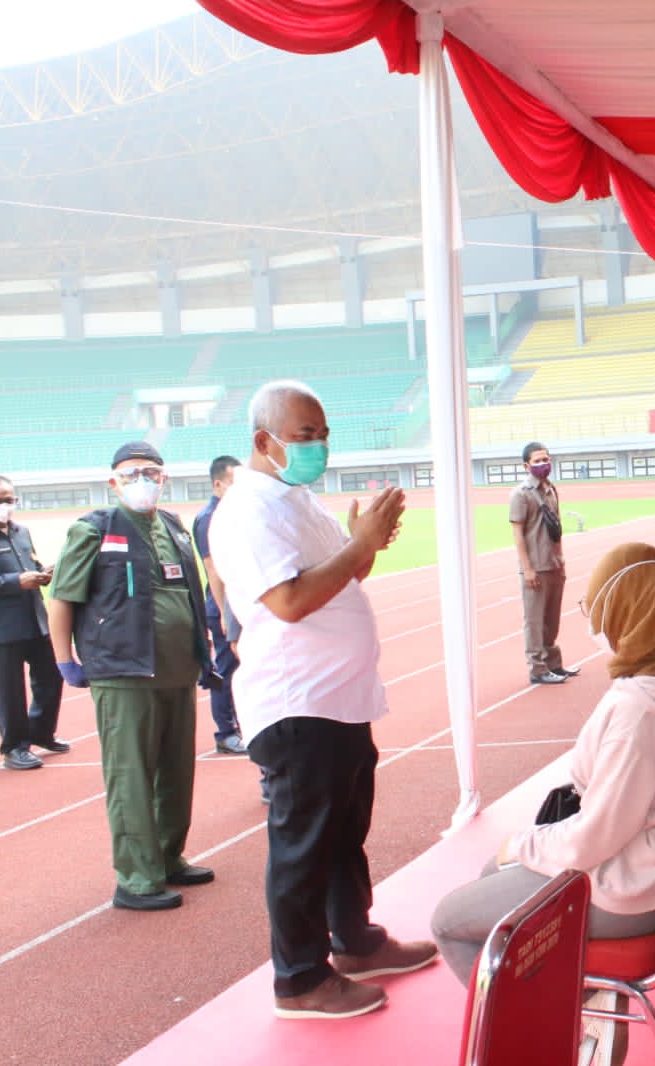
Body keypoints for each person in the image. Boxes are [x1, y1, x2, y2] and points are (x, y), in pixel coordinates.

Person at [210, 381, 436, 1019]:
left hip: (339, 698)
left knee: (343, 832)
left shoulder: (297, 498)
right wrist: (359, 546)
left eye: (322, 434)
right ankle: (301, 979)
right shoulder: (248, 512)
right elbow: (289, 601)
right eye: (304, 436)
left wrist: (365, 544)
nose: (318, 447)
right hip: (296, 703)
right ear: (265, 441)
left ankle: (354, 941)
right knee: (305, 844)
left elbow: (343, 572)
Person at [432, 544, 655, 980]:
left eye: (597, 609)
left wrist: (521, 843)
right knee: (494, 874)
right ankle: (573, 1011)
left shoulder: (641, 714)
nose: (596, 625)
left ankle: (545, 1039)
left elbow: (592, 841)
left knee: (450, 922)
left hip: (631, 890)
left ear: (623, 614)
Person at [48, 441, 216, 912]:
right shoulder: (93, 529)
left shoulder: (173, 527)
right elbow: (62, 598)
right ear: (113, 480)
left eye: (151, 471)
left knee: (176, 771)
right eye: (132, 472)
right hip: (123, 671)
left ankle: (167, 856)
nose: (142, 479)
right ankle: (137, 878)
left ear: (164, 478)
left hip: (177, 670)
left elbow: (187, 592)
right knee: (132, 776)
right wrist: (65, 660)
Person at [0, 476, 66, 770]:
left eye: (9, 498)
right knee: (9, 690)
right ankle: (15, 747)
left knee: (50, 677)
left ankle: (41, 731)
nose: (4, 505)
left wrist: (41, 573)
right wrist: (15, 582)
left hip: (35, 620)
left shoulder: (21, 532)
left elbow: (29, 567)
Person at [511, 441, 578, 686]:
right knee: (535, 620)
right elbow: (518, 533)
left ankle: (553, 663)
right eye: (537, 460)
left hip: (554, 564)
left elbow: (556, 530)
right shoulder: (521, 494)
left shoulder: (551, 489)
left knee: (552, 619)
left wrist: (561, 561)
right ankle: (538, 668)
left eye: (546, 459)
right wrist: (527, 568)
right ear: (526, 465)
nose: (543, 464)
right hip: (536, 567)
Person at [193, 455, 246, 754]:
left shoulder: (233, 513)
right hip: (223, 607)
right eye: (234, 483)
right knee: (226, 669)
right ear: (218, 484)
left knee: (242, 668)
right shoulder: (208, 518)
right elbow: (213, 569)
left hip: (241, 603)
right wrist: (225, 610)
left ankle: (242, 724)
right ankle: (226, 732)